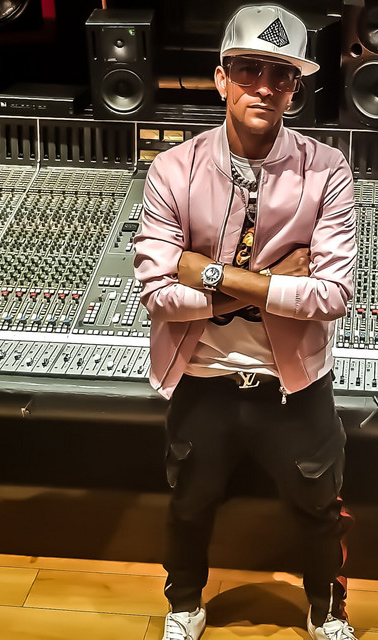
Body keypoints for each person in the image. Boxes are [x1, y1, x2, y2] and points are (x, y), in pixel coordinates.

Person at [133, 5, 357, 640]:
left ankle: (327, 610)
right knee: (189, 504)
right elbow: (157, 295)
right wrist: (269, 283)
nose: (264, 85)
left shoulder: (328, 168)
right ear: (221, 78)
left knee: (320, 508)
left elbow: (333, 295)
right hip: (203, 377)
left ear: (295, 87)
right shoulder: (172, 170)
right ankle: (184, 606)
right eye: (249, 69)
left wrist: (207, 273)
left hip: (296, 383)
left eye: (281, 74)